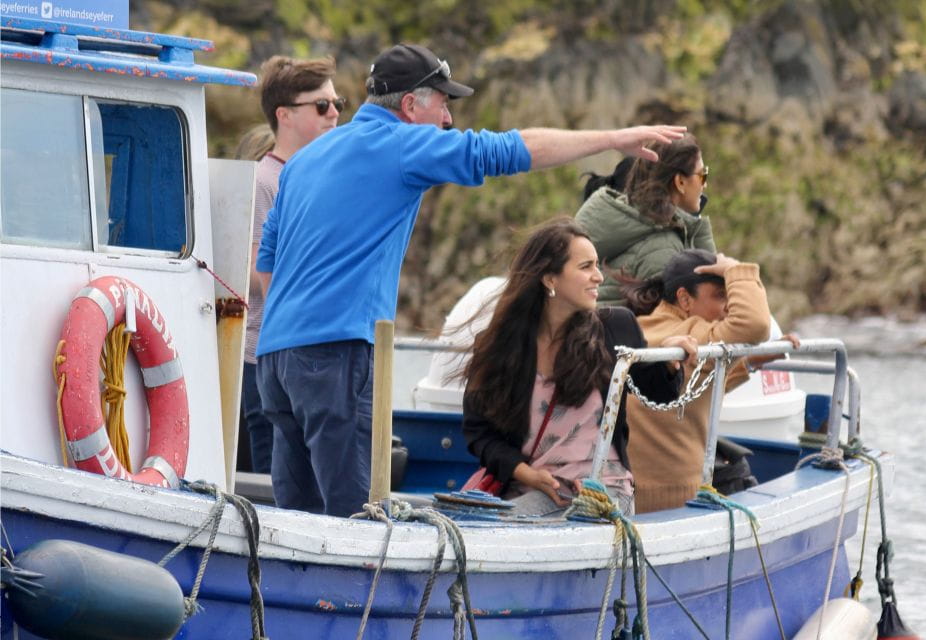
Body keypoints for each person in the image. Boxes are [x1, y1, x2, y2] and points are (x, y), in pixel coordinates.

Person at [255, 42, 689, 518]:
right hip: (335, 352)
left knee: (292, 518)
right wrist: (611, 139)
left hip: (275, 357)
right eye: (443, 103)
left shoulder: (301, 161)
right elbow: (512, 151)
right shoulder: (402, 145)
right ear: (409, 105)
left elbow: (266, 267)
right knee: (355, 521)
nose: (447, 119)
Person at [461, 219, 698, 516]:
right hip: (529, 488)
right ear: (550, 279)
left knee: (503, 529)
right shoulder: (501, 345)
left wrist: (667, 360)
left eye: (597, 265)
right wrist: (524, 473)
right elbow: (479, 432)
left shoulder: (615, 327)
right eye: (586, 267)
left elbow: (658, 391)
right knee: (477, 528)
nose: (599, 277)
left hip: (603, 489)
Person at [621, 249, 798, 513]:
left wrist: (749, 363)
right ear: (684, 298)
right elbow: (754, 325)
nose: (728, 306)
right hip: (676, 501)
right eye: (720, 295)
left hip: (629, 496)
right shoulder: (691, 334)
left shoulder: (641, 326)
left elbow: (684, 392)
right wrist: (736, 270)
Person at [239, 55, 341, 475]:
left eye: (338, 103)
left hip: (314, 358)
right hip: (266, 359)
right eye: (322, 105)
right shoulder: (264, 180)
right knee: (274, 482)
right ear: (284, 115)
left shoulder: (325, 177)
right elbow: (250, 271)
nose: (334, 113)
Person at [574, 134, 715, 306]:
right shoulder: (662, 248)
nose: (705, 184)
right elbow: (675, 324)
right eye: (702, 175)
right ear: (680, 182)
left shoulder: (632, 223)